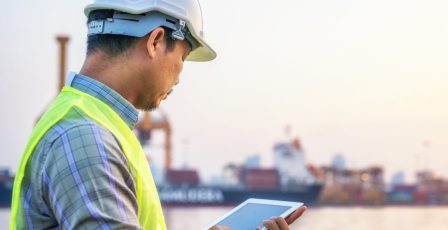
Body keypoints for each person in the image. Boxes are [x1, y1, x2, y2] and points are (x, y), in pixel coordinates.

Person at [10, 0, 305, 229]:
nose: (179, 77)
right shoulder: (86, 136)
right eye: (182, 58)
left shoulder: (90, 122)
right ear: (155, 41)